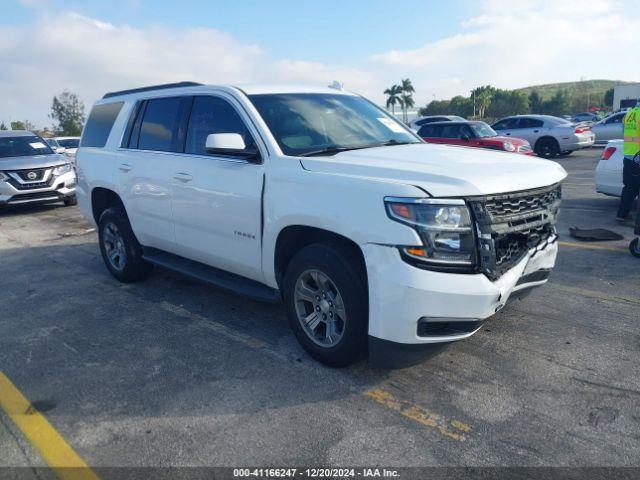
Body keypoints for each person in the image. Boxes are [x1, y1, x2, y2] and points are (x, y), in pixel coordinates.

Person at [617, 104, 640, 222]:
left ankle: (622, 214)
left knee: (629, 188)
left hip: (628, 156)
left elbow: (624, 132)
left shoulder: (629, 114)